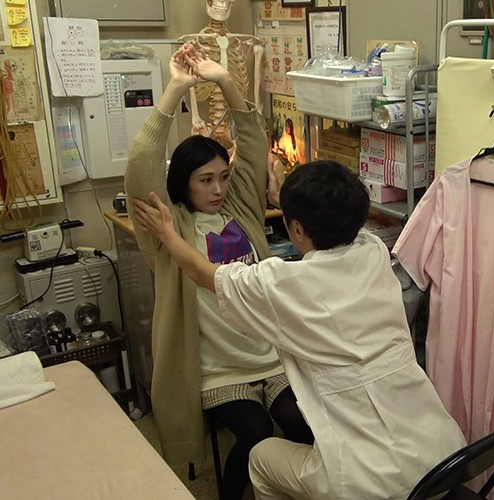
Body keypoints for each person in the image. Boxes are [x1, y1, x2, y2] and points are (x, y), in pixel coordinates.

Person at [133, 160, 467, 500]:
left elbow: (200, 271)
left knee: (260, 457)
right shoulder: (374, 251)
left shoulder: (281, 284)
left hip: (366, 483)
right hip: (442, 460)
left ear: (296, 229)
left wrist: (167, 233)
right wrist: (287, 200)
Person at [124, 44, 312, 500]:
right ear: (183, 184)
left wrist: (225, 80)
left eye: (222, 177)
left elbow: (252, 141)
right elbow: (141, 166)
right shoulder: (168, 225)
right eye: (205, 180)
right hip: (217, 369)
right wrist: (176, 88)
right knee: (254, 433)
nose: (217, 188)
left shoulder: (240, 207)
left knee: (301, 425)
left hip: (269, 355)